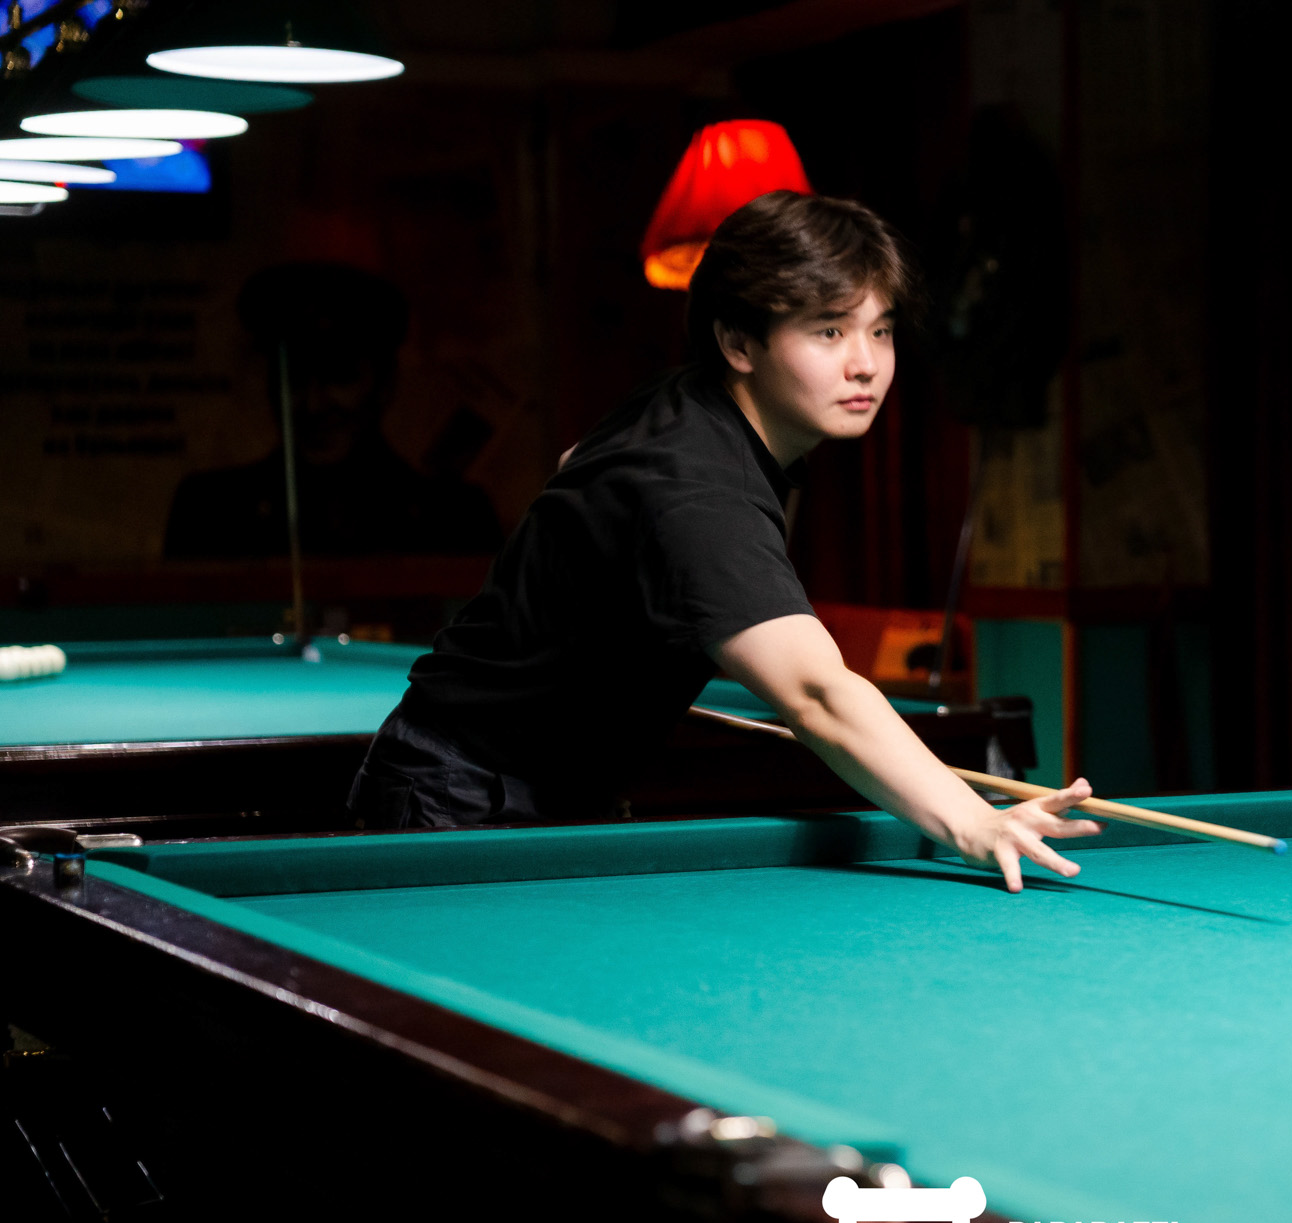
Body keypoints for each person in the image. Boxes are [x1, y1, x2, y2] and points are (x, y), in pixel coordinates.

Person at [348, 192, 1099, 892]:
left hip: (519, 783)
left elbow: (576, 461)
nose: (866, 363)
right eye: (829, 331)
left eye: (881, 329)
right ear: (738, 341)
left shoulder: (688, 406)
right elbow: (818, 694)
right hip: (460, 794)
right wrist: (972, 820)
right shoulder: (697, 488)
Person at [162, 263, 501, 559]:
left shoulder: (455, 519)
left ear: (384, 385)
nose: (314, 405)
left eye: (340, 377)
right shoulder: (210, 511)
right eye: (295, 378)